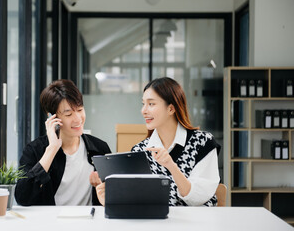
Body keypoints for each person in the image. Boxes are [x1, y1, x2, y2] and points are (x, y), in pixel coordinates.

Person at [96, 77, 220, 206]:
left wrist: (171, 166)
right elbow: (137, 201)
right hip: (155, 223)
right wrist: (110, 201)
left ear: (171, 109)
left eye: (151, 104)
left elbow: (197, 199)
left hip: (197, 223)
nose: (143, 110)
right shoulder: (140, 151)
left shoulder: (202, 142)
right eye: (143, 104)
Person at [15, 79, 111, 206]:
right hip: (51, 223)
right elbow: (23, 197)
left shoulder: (99, 148)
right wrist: (52, 149)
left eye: (80, 110)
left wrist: (103, 186)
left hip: (88, 223)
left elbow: (114, 196)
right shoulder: (35, 150)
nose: (78, 119)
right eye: (69, 114)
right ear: (52, 118)